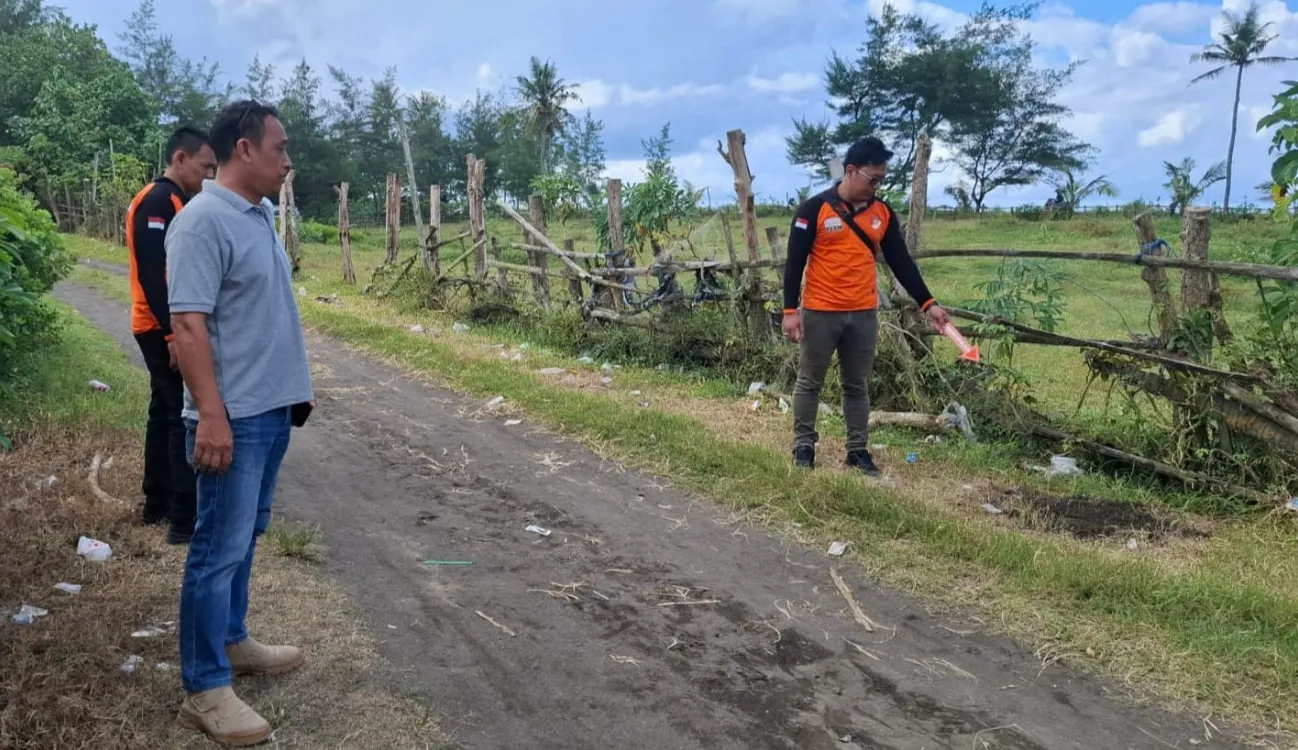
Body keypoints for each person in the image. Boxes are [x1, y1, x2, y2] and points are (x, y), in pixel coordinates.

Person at [166, 100, 314, 746]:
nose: (288, 160)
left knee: (244, 537)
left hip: (271, 412)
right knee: (215, 548)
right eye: (279, 148)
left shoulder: (260, 215)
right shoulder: (202, 221)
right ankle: (204, 686)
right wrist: (213, 416)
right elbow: (188, 325)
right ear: (245, 150)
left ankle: (232, 639)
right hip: (235, 418)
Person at [782, 136, 951, 476]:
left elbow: (901, 262)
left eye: (882, 181)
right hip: (820, 312)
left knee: (856, 384)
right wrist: (789, 311)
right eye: (872, 179)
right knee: (809, 381)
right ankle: (804, 447)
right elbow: (794, 262)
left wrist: (928, 303)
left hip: (862, 314)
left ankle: (857, 451)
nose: (876, 186)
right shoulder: (813, 210)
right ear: (850, 171)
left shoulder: (882, 213)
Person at [125, 126, 216, 544]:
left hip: (161, 326)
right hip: (158, 325)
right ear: (180, 159)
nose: (209, 177)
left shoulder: (178, 200)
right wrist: (171, 335)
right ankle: (183, 518)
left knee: (163, 413)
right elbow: (152, 275)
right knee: (181, 415)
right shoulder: (159, 202)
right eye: (205, 167)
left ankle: (156, 504)